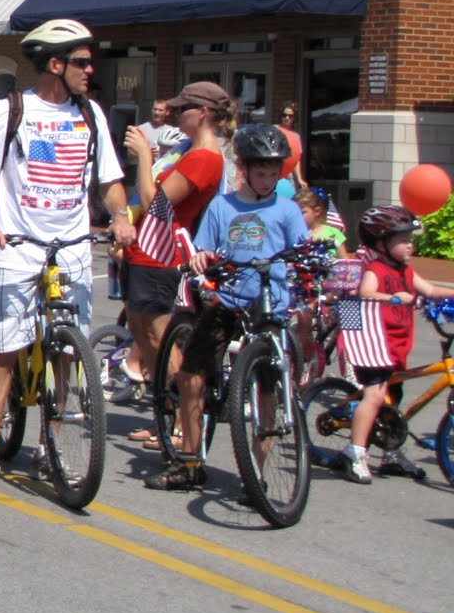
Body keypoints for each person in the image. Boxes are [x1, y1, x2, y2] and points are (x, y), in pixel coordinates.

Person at [0, 19, 134, 494]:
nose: (90, 70)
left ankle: (48, 445)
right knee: (3, 353)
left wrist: (121, 215)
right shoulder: (11, 110)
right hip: (16, 246)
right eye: (81, 61)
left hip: (72, 248)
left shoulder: (91, 114)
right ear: (55, 64)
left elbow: (110, 181)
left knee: (68, 354)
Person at [144, 124, 308, 491]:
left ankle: (257, 475)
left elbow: (304, 251)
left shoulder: (287, 210)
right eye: (260, 172)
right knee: (192, 373)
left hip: (271, 306)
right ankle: (189, 462)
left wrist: (312, 265)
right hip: (230, 300)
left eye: (273, 173)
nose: (267, 179)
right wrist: (201, 257)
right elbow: (204, 248)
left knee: (268, 389)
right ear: (244, 170)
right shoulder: (222, 206)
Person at [117, 81, 231, 415]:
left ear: (204, 113)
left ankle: (185, 420)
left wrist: (143, 157)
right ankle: (166, 410)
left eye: (183, 109)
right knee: (141, 329)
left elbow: (157, 204)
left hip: (162, 252)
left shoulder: (203, 159)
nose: (175, 114)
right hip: (145, 251)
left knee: (159, 335)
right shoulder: (188, 151)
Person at [335, 206, 454, 483]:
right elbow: (365, 293)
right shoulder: (375, 269)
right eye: (403, 240)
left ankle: (389, 454)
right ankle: (355, 452)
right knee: (375, 396)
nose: (410, 244)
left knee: (393, 401)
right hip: (375, 344)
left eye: (410, 239)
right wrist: (392, 298)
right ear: (381, 243)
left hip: (397, 347)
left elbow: (433, 291)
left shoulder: (408, 272)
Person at [295, 188, 349, 255]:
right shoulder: (295, 234)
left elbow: (344, 260)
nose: (298, 216)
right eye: (295, 213)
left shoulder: (333, 233)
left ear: (316, 211)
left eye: (302, 212)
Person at [275, 101, 308, 188]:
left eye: (290, 116)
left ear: (294, 118)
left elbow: (296, 159)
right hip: (273, 172)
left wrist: (299, 178)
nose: (286, 118)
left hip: (288, 175)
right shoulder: (274, 130)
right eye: (284, 115)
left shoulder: (295, 136)